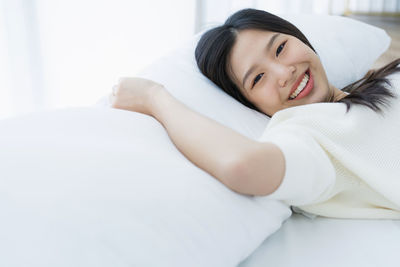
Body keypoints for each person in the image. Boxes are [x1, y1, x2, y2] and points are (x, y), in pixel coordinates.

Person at [110, 8, 400, 219]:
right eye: (257, 79)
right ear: (249, 103)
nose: (283, 72)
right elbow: (243, 166)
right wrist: (155, 98)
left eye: (281, 48)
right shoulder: (305, 133)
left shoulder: (381, 77)